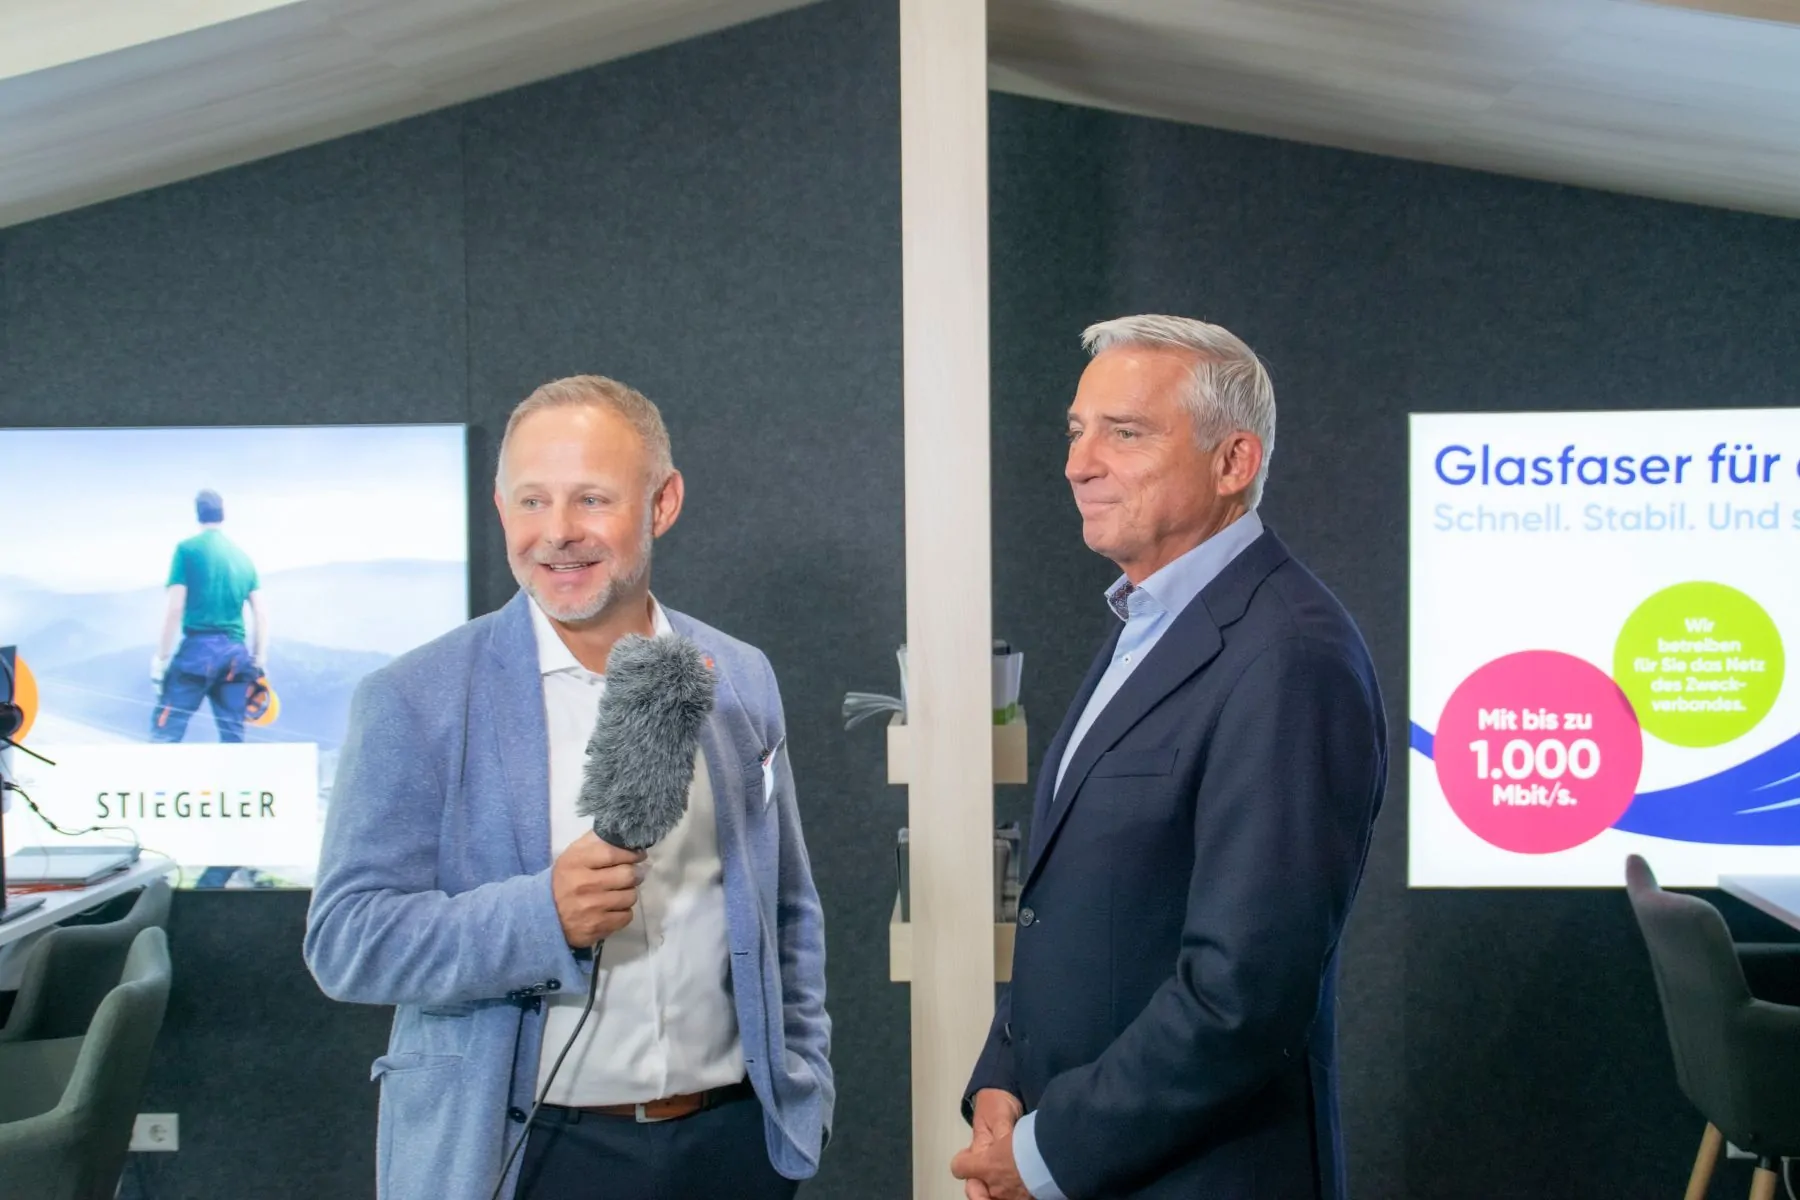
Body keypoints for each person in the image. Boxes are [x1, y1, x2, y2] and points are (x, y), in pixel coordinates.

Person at [304, 376, 831, 1200]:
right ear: (501, 506)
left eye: (591, 499)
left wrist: (804, 1091)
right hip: (523, 1156)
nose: (557, 534)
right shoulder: (416, 699)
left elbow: (787, 908)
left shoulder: (739, 676)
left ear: (662, 503)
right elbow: (347, 940)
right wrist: (539, 914)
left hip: (734, 1147)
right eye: (531, 501)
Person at [952, 316, 1387, 1200]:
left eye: (1125, 433)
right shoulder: (1148, 622)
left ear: (1234, 464)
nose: (1079, 463)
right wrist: (1005, 1073)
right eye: (1077, 432)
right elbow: (1077, 906)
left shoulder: (1289, 655)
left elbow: (1244, 996)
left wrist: (1044, 1154)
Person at [150, 488, 267, 743]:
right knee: (233, 738)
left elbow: (175, 608)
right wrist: (258, 661)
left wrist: (161, 659)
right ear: (223, 514)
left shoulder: (186, 550)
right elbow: (260, 613)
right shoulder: (243, 558)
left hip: (197, 652)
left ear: (198, 514)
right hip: (236, 656)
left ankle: (158, 782)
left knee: (165, 731)